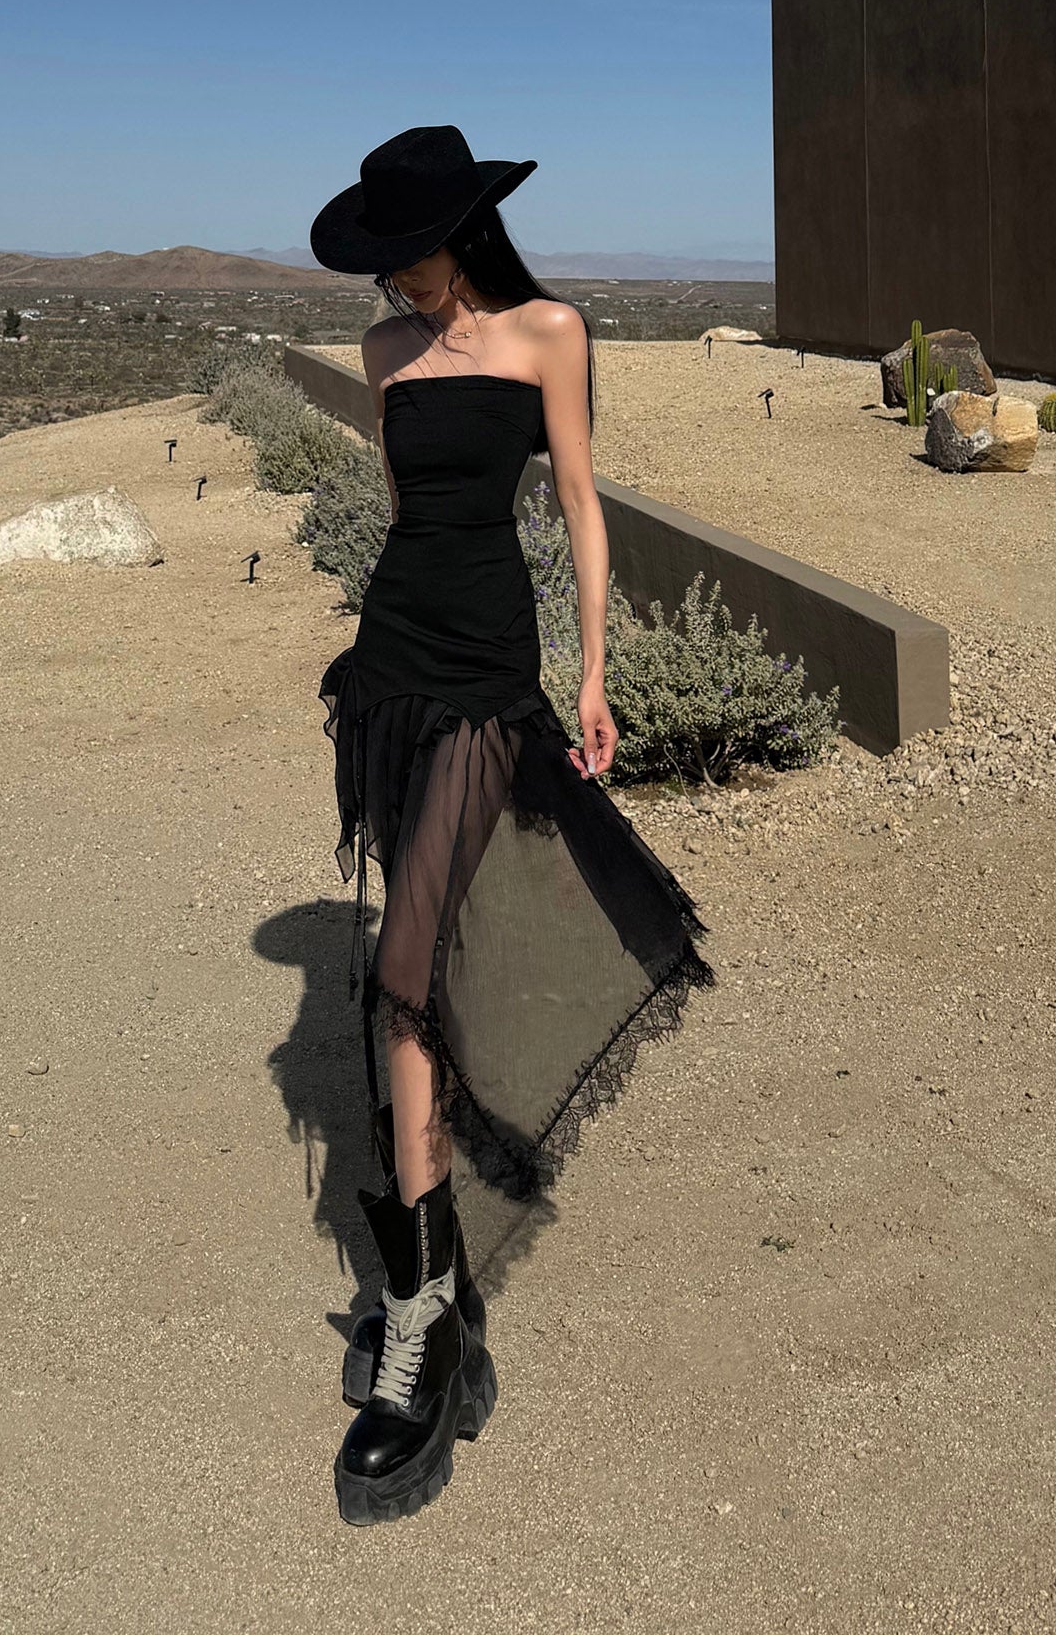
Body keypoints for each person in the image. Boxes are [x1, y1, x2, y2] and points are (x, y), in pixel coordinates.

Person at [308, 124, 713, 1526]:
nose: (398, 287)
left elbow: (581, 509)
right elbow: (406, 513)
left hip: (489, 675)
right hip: (393, 667)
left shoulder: (552, 334)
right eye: (384, 269)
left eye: (410, 260)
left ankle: (422, 1321)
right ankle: (435, 1300)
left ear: (461, 233)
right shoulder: (383, 354)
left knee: (404, 968)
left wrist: (593, 677)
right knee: (413, 969)